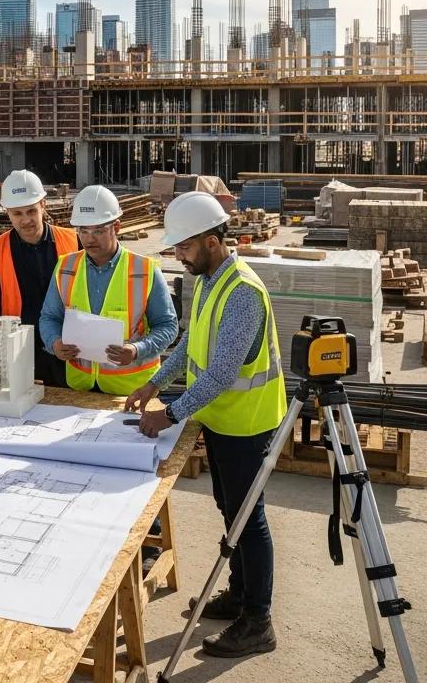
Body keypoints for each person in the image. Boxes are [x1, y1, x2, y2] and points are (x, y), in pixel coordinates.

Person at [126, 191, 287, 659]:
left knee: (247, 520)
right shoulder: (209, 282)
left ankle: (258, 619)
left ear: (213, 241)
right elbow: (188, 345)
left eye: (185, 246)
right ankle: (239, 594)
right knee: (228, 507)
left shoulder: (241, 293)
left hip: (247, 423)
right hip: (219, 419)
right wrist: (155, 384)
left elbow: (220, 373)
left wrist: (169, 413)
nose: (178, 254)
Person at [39, 185, 178, 394]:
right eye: (83, 231)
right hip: (80, 387)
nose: (89, 238)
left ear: (117, 227)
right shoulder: (66, 267)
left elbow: (168, 326)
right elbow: (49, 317)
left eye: (98, 230)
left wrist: (136, 350)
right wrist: (54, 343)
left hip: (132, 391)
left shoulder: (144, 270)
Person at [0, 170, 79, 387]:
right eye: (17, 213)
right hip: (19, 356)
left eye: (31, 211)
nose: (26, 220)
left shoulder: (72, 241)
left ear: (43, 205)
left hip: (67, 350)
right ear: (8, 212)